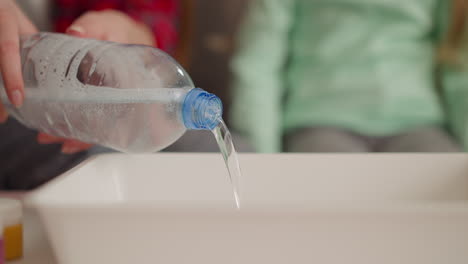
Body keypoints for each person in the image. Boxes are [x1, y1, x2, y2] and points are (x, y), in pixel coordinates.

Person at [0, 0, 250, 189]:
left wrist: (134, 36)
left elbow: (153, 22)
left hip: (109, 99)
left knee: (241, 153)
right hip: (25, 97)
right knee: (108, 166)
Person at [230, 0, 467, 153]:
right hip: (321, 119)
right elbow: (258, 63)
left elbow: (458, 66)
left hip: (418, 119)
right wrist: (262, 155)